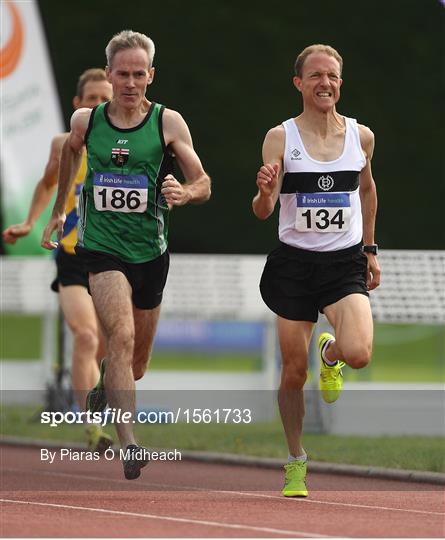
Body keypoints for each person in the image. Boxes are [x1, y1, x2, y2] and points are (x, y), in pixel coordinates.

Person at [41, 30, 211, 480]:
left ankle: (104, 380)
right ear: (110, 75)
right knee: (119, 335)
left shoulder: (167, 123)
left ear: (150, 76)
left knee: (135, 365)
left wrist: (185, 191)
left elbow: (204, 181)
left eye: (139, 74)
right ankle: (129, 442)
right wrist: (60, 212)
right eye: (123, 74)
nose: (131, 83)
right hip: (102, 250)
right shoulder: (86, 122)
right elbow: (68, 155)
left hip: (151, 254)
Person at [252, 44, 380, 498]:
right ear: (299, 84)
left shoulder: (360, 137)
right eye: (316, 76)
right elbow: (263, 211)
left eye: (333, 76)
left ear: (340, 83)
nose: (325, 83)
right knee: (292, 372)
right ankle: (296, 461)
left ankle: (331, 356)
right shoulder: (280, 137)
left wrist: (370, 249)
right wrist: (266, 192)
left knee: (359, 352)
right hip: (294, 264)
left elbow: (367, 192)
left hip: (343, 262)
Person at [3, 68, 113, 453]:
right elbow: (49, 183)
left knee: (109, 349)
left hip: (113, 257)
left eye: (106, 99)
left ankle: (99, 397)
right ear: (77, 105)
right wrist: (30, 222)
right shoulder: (63, 143)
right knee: (85, 336)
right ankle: (93, 426)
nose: (99, 106)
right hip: (71, 258)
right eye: (92, 100)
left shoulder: (130, 144)